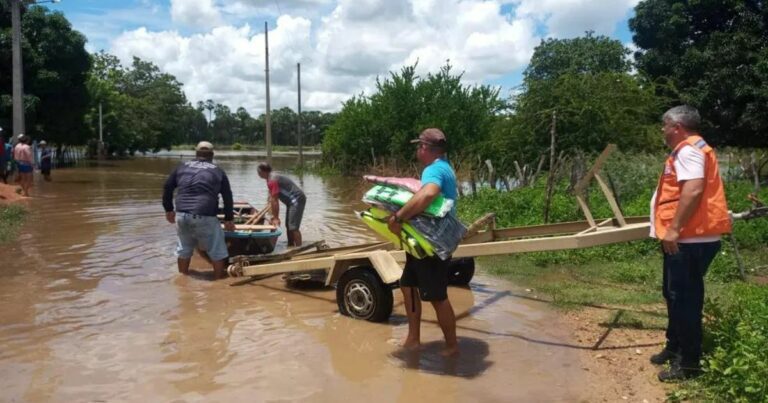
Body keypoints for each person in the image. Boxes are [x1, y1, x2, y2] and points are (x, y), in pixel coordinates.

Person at [649, 105, 731, 382]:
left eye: (665, 125)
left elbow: (693, 189)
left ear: (677, 127)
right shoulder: (691, 149)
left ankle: (689, 364)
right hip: (686, 237)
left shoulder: (688, 150)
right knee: (673, 295)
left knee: (685, 301)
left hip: (689, 239)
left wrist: (673, 230)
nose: (662, 130)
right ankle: (674, 347)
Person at [386, 128, 460, 356]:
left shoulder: (434, 169)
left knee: (437, 296)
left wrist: (398, 217)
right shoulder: (444, 167)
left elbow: (428, 194)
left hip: (431, 243)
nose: (418, 150)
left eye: (419, 146)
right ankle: (413, 339)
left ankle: (451, 347)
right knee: (408, 285)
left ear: (426, 149)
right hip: (424, 241)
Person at [163, 141, 236, 280]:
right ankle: (218, 281)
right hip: (205, 215)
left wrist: (169, 210)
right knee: (217, 250)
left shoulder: (181, 167)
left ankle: (182, 280)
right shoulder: (218, 170)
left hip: (182, 215)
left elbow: (167, 187)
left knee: (184, 249)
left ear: (196, 153)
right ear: (212, 155)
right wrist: (228, 219)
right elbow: (227, 196)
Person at [256, 162, 306, 247]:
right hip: (291, 202)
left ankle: (299, 250)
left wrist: (276, 218)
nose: (258, 174)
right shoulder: (270, 178)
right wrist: (271, 214)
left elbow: (275, 200)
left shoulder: (272, 180)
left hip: (296, 199)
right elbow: (271, 198)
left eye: (258, 172)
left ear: (262, 172)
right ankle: (290, 246)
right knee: (289, 226)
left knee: (293, 227)